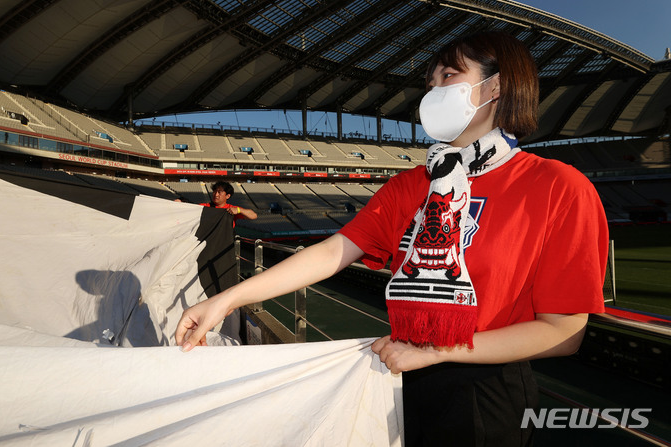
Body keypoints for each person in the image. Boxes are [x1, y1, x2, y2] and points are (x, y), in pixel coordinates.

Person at [175, 31, 608, 446]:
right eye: (430, 81)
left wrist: (441, 350)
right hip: (398, 373)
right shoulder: (411, 185)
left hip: (485, 395)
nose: (433, 90)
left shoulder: (557, 187)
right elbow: (331, 252)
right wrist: (226, 300)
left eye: (448, 76)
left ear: (496, 87)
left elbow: (564, 332)